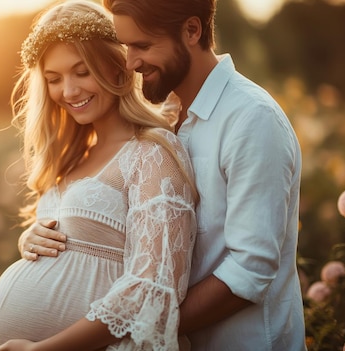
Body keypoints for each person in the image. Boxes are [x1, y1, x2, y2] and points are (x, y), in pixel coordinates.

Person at [19, 0, 307, 350]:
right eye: (126, 47)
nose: (129, 63)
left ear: (191, 31)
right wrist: (46, 235)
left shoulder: (251, 120)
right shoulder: (166, 117)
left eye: (142, 46)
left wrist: (134, 324)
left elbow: (249, 272)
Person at [0, 1, 198, 350]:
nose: (68, 91)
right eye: (54, 79)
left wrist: (42, 350)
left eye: (82, 72)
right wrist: (29, 241)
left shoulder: (150, 153)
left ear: (118, 67)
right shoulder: (69, 159)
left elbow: (154, 285)